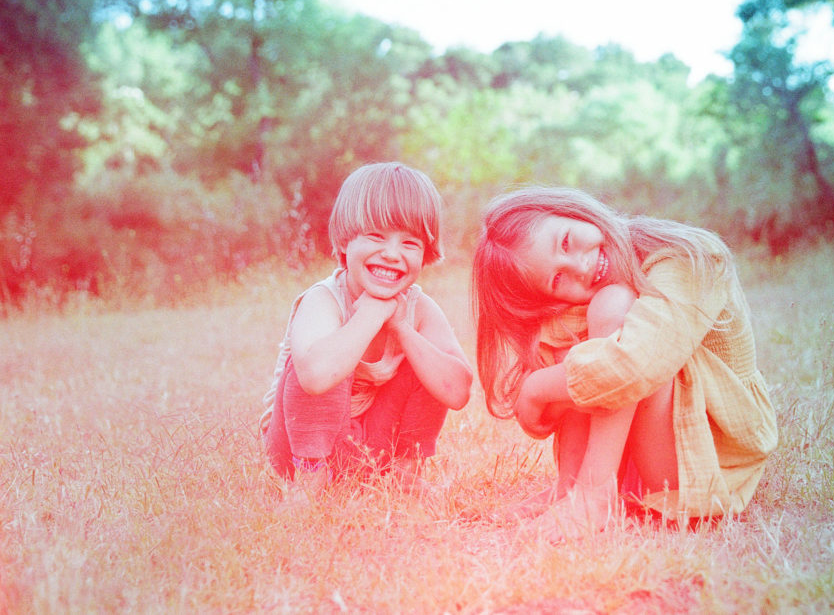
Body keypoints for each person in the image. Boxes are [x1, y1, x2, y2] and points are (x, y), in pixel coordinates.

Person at [472, 187, 777, 539]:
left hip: (707, 459)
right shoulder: (588, 291)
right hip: (648, 454)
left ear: (574, 211)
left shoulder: (690, 256)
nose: (581, 267)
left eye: (567, 242)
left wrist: (535, 390)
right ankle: (570, 487)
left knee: (614, 309)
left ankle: (593, 493)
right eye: (557, 280)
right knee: (565, 325)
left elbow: (634, 367)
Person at [260, 162, 473, 503]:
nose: (392, 254)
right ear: (345, 241)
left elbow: (457, 391)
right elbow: (314, 377)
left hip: (369, 449)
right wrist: (371, 314)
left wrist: (403, 329)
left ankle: (406, 476)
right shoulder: (324, 298)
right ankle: (308, 487)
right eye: (376, 236)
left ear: (426, 253)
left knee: (427, 359)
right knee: (323, 358)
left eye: (410, 242)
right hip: (297, 445)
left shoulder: (418, 308)